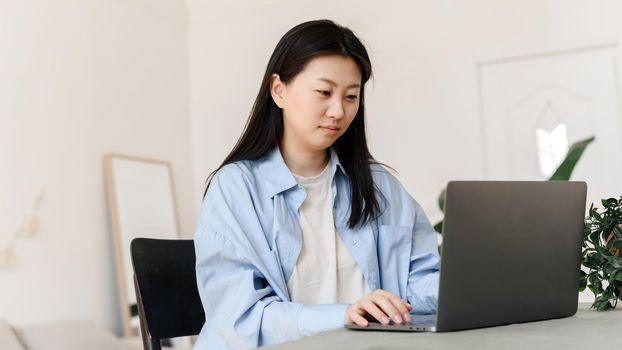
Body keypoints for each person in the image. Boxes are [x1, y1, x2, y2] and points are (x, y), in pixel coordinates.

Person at [194, 19, 440, 349]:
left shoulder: (381, 186)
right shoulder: (236, 188)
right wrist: (345, 315)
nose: (338, 111)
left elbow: (419, 282)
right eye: (324, 92)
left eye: (351, 97)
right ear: (278, 90)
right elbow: (241, 319)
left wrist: (472, 289)